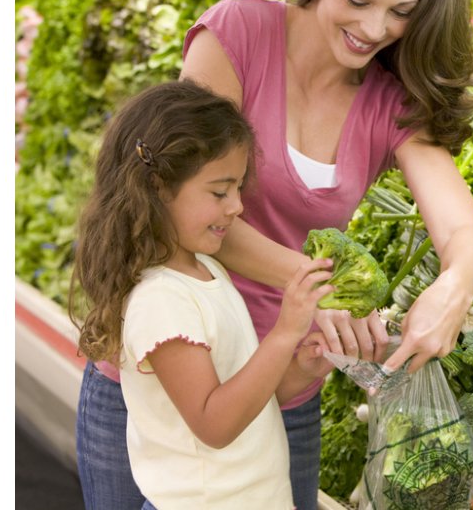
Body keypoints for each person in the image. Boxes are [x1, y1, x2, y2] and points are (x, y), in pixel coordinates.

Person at [73, 0, 473, 508]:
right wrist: (320, 289)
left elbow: (459, 229)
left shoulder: (390, 101)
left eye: (402, 13)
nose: (375, 28)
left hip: (283, 374)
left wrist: (453, 291)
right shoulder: (238, 33)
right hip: (156, 374)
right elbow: (186, 205)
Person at [69, 79, 335, 509]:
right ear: (157, 188)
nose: (237, 206)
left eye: (237, 189)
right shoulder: (161, 301)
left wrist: (302, 369)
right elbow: (215, 424)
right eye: (219, 192)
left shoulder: (206, 269)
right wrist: (284, 333)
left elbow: (247, 404)